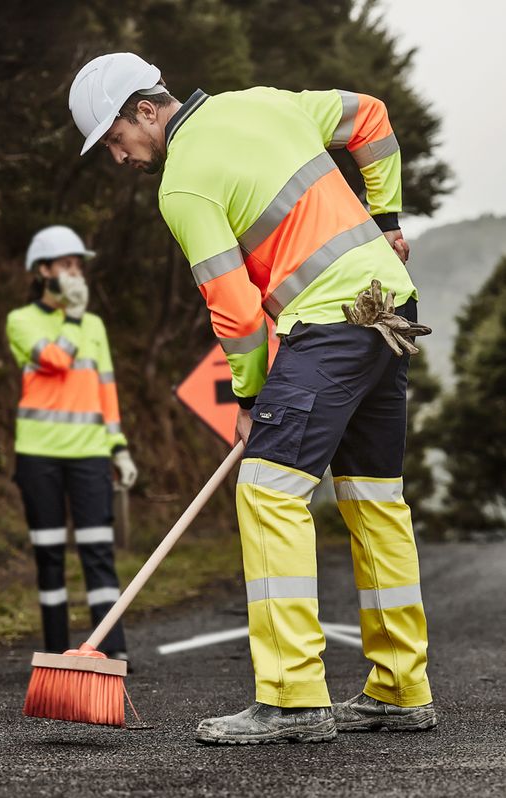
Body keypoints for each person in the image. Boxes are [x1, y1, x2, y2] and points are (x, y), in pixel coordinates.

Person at [68, 53, 436, 743]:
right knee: (373, 499)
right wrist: (384, 217)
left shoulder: (182, 184)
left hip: (329, 324)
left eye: (116, 139)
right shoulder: (266, 100)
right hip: (388, 309)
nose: (118, 157)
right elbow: (372, 119)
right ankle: (400, 690)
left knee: (267, 491)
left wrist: (249, 396)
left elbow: (236, 312)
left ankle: (294, 699)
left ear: (147, 110)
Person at [6, 225, 138, 661]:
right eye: (67, 266)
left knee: (98, 552)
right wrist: (74, 318)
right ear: (43, 271)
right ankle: (56, 655)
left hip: (90, 454)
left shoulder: (95, 325)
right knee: (49, 557)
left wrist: (118, 446)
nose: (76, 275)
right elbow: (55, 362)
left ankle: (110, 652)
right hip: (39, 455)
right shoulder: (21, 321)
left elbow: (106, 390)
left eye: (79, 267)